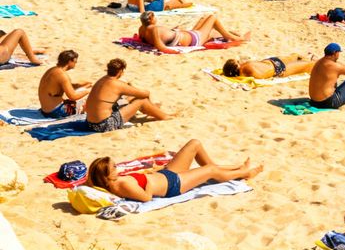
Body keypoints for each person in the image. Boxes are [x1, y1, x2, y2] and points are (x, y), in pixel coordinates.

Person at [88, 139, 262, 202]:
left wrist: (151, 174)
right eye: (114, 167)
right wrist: (148, 181)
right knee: (209, 170)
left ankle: (234, 168)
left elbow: (91, 179)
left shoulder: (113, 179)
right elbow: (147, 198)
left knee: (194, 144)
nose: (117, 167)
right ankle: (244, 173)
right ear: (106, 177)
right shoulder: (121, 186)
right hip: (173, 185)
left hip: (166, 174)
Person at [86, 58, 171, 132]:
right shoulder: (117, 84)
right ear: (120, 72)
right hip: (104, 125)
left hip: (90, 124)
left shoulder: (101, 80)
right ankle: (165, 116)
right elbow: (145, 93)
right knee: (142, 101)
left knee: (130, 98)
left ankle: (152, 109)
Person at [137, 11, 246, 51]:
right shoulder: (154, 29)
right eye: (154, 17)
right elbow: (160, 47)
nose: (156, 19)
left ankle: (228, 33)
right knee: (212, 17)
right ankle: (229, 36)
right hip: (194, 39)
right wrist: (175, 51)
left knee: (204, 19)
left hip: (189, 36)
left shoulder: (141, 29)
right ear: (150, 19)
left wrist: (174, 31)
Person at [39, 49, 90, 117]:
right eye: (75, 62)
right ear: (69, 61)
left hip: (45, 109)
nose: (75, 64)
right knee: (87, 102)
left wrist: (80, 86)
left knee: (81, 96)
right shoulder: (62, 75)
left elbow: (65, 86)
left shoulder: (52, 70)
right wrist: (88, 91)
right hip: (55, 111)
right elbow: (73, 96)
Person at [223, 54, 315, 79]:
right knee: (297, 57)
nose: (240, 62)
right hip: (274, 63)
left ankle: (309, 58)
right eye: (238, 62)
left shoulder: (244, 70)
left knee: (306, 63)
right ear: (237, 66)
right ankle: (310, 58)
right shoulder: (245, 68)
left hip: (277, 68)